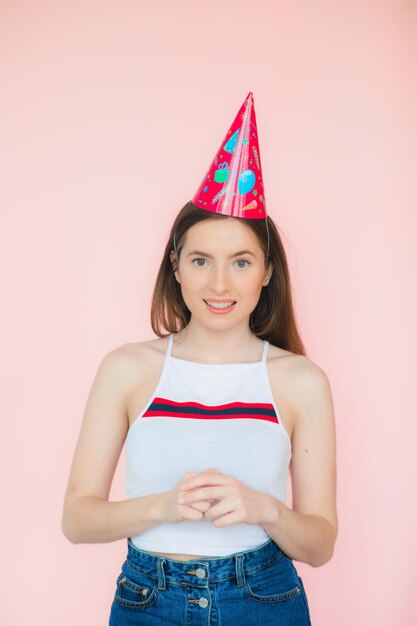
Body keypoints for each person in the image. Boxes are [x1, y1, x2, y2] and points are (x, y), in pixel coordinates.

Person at [62, 92, 337, 625]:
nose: (218, 283)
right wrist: (161, 507)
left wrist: (266, 509)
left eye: (240, 262)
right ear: (176, 267)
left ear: (266, 272)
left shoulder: (300, 381)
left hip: (264, 600)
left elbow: (320, 543)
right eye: (200, 260)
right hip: (148, 601)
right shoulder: (127, 369)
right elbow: (77, 519)